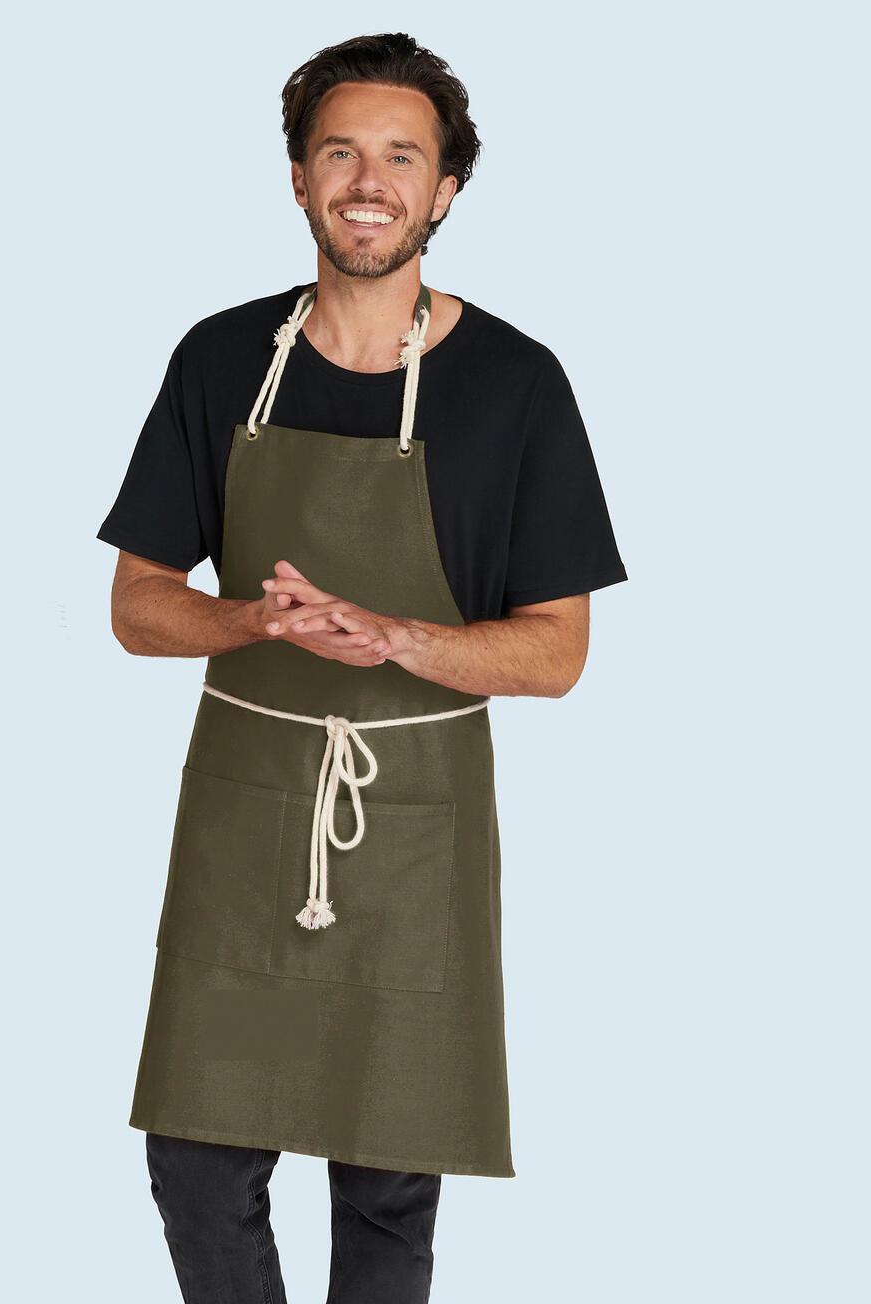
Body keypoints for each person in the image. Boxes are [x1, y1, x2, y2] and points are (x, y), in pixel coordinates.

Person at [97, 30, 628, 1304]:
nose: (368, 181)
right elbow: (137, 607)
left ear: (445, 189)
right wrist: (258, 620)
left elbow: (557, 649)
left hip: (412, 830)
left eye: (402, 156)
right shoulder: (220, 358)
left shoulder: (514, 384)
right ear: (298, 177)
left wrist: (394, 636)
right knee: (195, 1160)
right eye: (339, 152)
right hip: (243, 817)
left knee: (388, 1179)